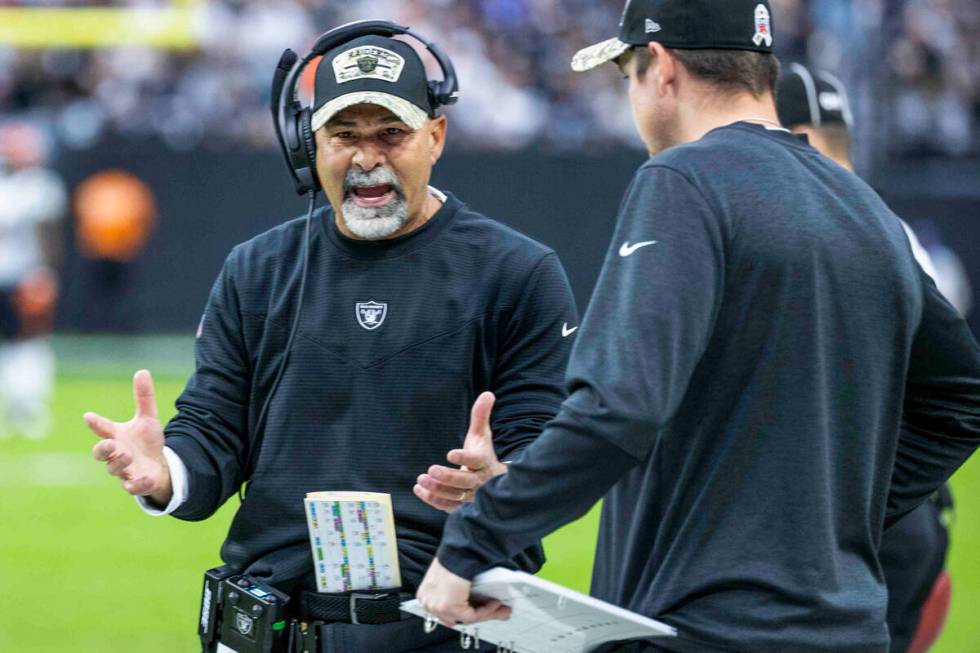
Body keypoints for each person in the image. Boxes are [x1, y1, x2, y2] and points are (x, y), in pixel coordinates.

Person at [416, 2, 980, 653]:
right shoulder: (867, 209)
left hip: (704, 633)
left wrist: (472, 538)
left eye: (627, 73)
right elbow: (962, 396)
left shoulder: (683, 179)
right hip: (845, 631)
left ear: (660, 68)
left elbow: (617, 410)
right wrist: (822, 522)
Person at [84, 25, 577, 653]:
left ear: (436, 137)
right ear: (307, 147)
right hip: (271, 623)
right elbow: (212, 430)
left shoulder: (517, 271)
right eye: (344, 135)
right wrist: (164, 471)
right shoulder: (255, 269)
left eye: (390, 135)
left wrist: (504, 481)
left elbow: (547, 448)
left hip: (441, 626)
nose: (366, 157)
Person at [777, 64, 956, 653]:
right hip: (910, 507)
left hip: (852, 510)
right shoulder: (893, 229)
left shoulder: (820, 232)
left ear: (794, 133)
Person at [0, 120, 66, 440]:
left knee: (28, 342)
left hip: (25, 276)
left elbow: (48, 236)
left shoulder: (41, 186)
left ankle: (27, 406)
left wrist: (44, 273)